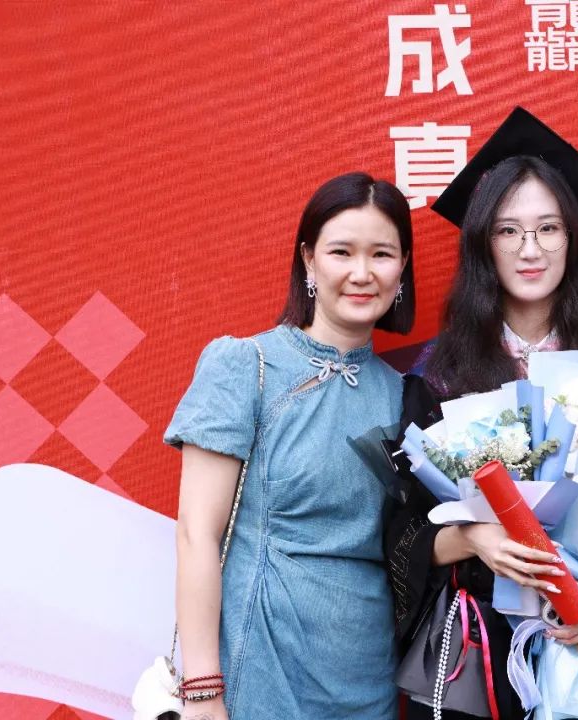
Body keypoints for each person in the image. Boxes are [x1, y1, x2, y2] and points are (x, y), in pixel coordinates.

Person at [386, 107, 578, 720]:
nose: (530, 250)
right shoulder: (438, 377)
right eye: (508, 231)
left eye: (548, 228)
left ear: (572, 239)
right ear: (483, 245)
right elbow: (400, 534)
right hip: (478, 657)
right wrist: (475, 538)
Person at [164, 172, 415, 719]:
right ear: (308, 260)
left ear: (402, 268)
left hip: (367, 673)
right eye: (341, 252)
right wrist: (202, 691)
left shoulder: (404, 396)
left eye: (382, 254)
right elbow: (195, 534)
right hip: (260, 663)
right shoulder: (246, 366)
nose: (362, 273)